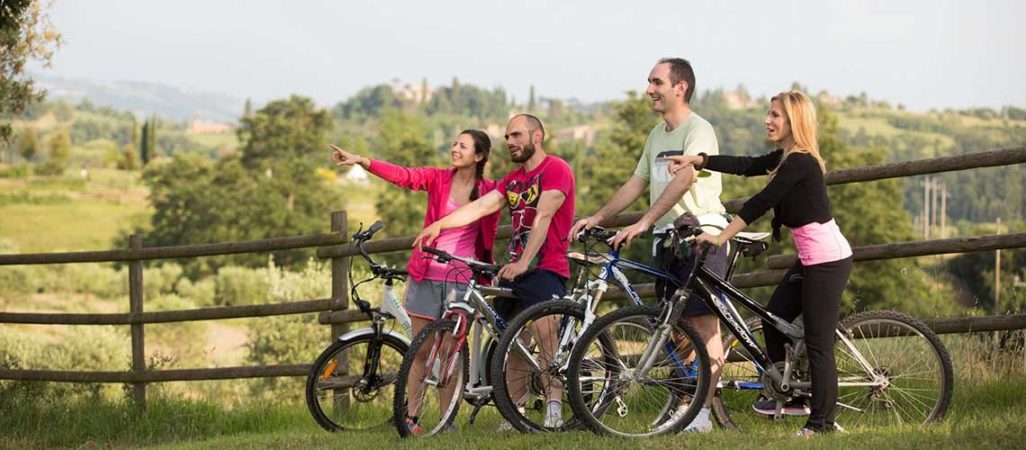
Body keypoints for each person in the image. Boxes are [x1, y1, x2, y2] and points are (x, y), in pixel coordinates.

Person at [667, 90, 854, 437]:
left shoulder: (801, 162)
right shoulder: (784, 158)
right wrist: (699, 160)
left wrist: (720, 237)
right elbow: (746, 166)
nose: (768, 120)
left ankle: (821, 423)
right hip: (810, 260)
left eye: (775, 115)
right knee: (774, 321)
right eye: (768, 114)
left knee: (818, 344)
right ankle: (790, 391)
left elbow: (761, 202)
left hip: (828, 262)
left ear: (794, 121)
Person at [568, 57, 728, 432]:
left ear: (680, 87)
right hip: (667, 242)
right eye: (649, 82)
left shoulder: (698, 129)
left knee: (704, 326)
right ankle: (687, 406)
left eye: (656, 82)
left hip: (700, 236)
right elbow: (636, 183)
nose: (649, 90)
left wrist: (644, 221)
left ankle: (701, 414)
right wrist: (598, 217)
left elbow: (686, 177)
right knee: (676, 328)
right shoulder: (657, 135)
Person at [330, 130, 499, 435]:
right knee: (420, 352)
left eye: (462, 145)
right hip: (426, 276)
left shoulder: (489, 191)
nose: (454, 148)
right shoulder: (437, 179)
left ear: (479, 156)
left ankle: (447, 420)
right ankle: (413, 418)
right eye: (454, 143)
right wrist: (361, 161)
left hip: (460, 281)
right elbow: (403, 176)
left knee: (449, 354)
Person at [414, 113, 575, 429]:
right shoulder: (513, 179)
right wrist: (439, 224)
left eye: (516, 135)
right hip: (513, 270)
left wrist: (526, 262)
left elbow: (543, 217)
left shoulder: (556, 169)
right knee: (513, 342)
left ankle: (554, 407)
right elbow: (479, 207)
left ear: (537, 136)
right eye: (507, 137)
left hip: (544, 267)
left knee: (547, 337)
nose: (510, 142)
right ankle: (516, 411)